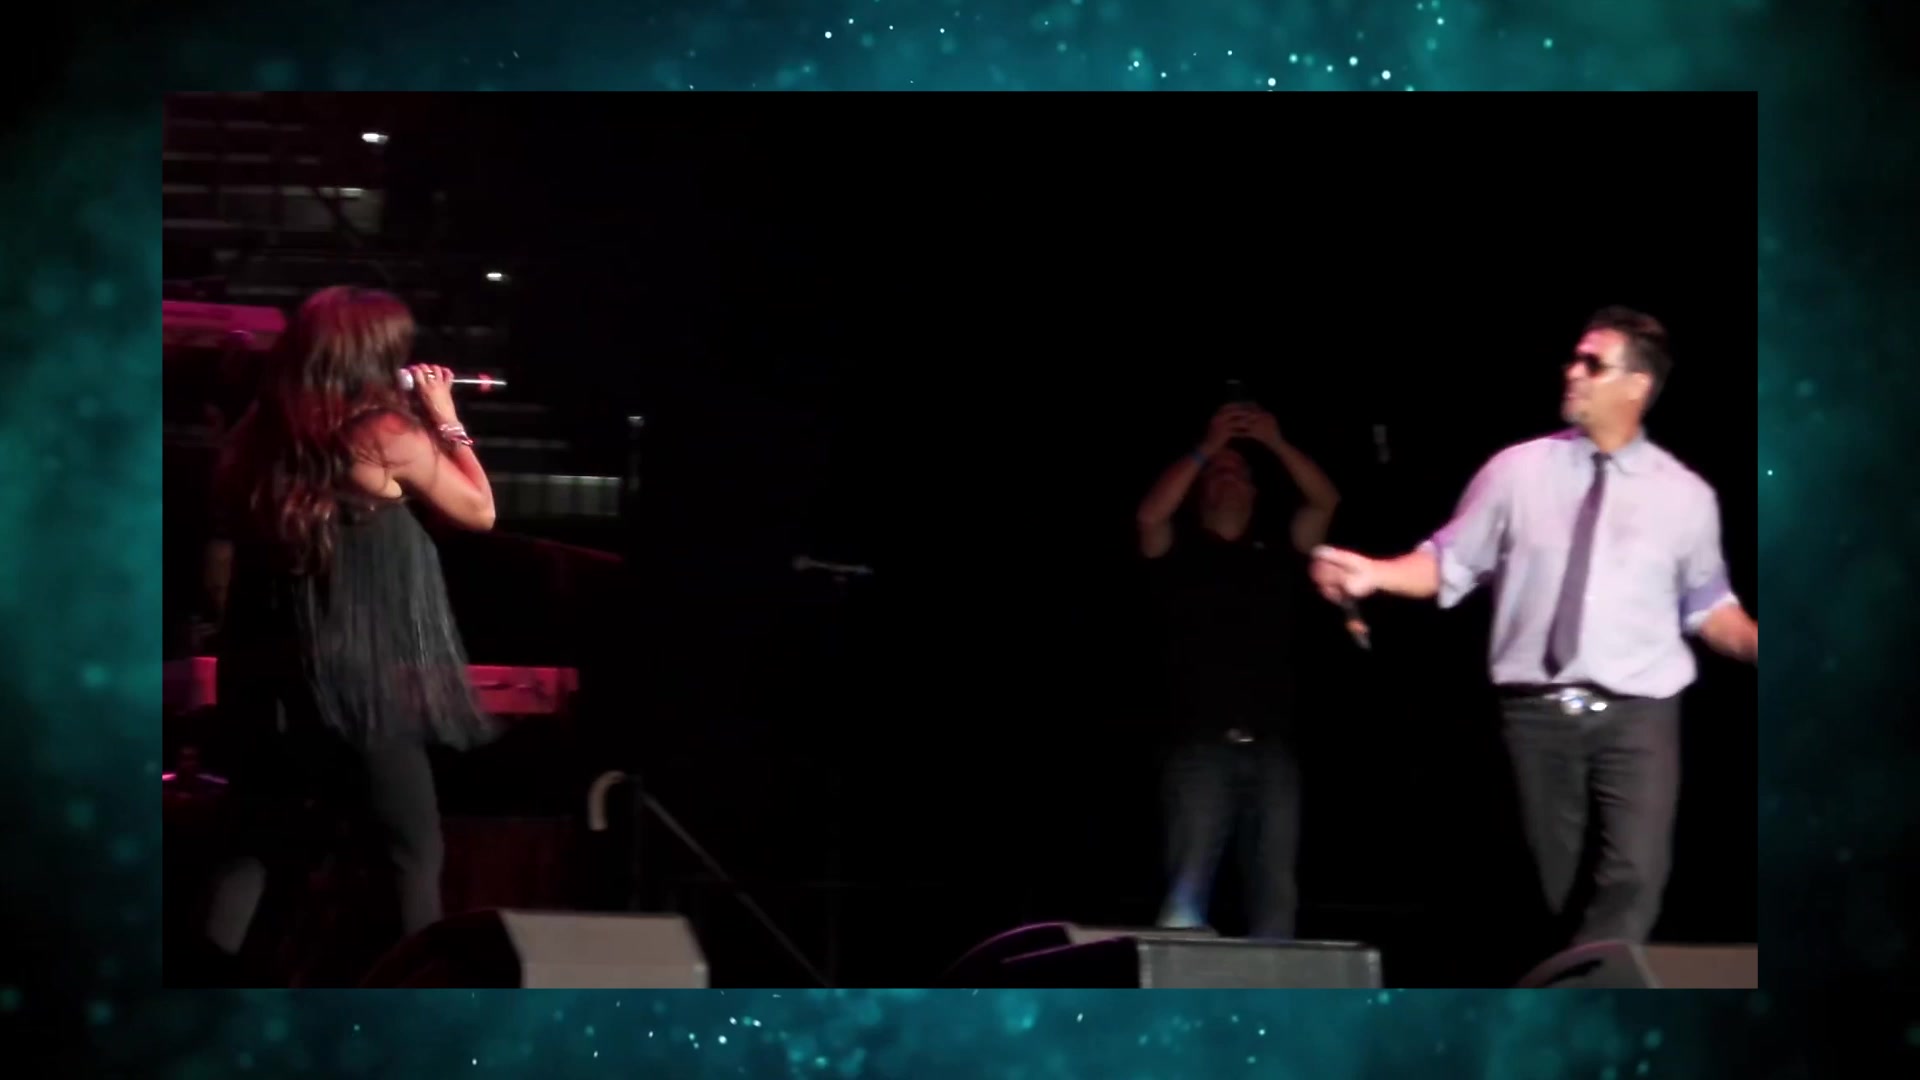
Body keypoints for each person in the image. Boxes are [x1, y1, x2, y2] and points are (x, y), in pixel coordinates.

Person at [1311, 306, 1757, 948]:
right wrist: (1374, 573)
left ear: (1637, 385)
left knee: (1633, 877)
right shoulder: (1516, 472)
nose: (1572, 371)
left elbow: (1709, 607)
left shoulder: (1684, 496)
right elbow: (1448, 562)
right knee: (1558, 895)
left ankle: (1603, 988)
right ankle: (1576, 981)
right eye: (1574, 357)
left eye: (1592, 363)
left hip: (1640, 714)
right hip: (1537, 716)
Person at [193, 285, 501, 980]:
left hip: (267, 683)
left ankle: (201, 988)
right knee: (412, 853)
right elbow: (479, 511)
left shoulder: (259, 433)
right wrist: (446, 417)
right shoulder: (384, 435)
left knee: (253, 848)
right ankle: (411, 1009)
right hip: (356, 684)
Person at [1136, 399, 1342, 939]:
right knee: (1187, 889)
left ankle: (1275, 989)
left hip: (1273, 745)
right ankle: (1180, 986)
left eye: (1239, 471)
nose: (1228, 477)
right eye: (1217, 472)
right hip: (1197, 745)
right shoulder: (1178, 550)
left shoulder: (1277, 549)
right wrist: (1208, 447)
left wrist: (1274, 442)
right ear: (1200, 488)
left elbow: (1324, 501)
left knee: (1276, 892)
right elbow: (1150, 516)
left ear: (1254, 491)